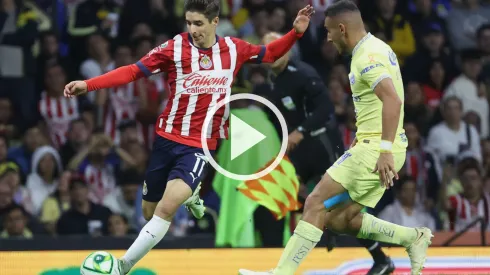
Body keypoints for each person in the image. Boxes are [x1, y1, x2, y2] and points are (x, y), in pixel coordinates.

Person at [63, 0, 313, 273]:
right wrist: (89, 84)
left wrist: (296, 33)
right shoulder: (174, 48)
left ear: (215, 22)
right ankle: (190, 195)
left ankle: (123, 266)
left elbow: (269, 53)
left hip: (200, 144)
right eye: (189, 23)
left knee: (166, 209)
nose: (192, 29)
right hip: (167, 138)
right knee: (149, 213)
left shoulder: (233, 49)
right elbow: (133, 71)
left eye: (199, 23)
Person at [239, 1, 432, 275]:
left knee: (314, 202)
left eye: (329, 31)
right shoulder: (378, 47)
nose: (327, 38)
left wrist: (384, 150)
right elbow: (380, 104)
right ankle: (412, 238)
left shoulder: (366, 57)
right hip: (377, 146)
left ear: (342, 28)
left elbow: (392, 99)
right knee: (342, 219)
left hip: (377, 150)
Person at [257, 32, 394, 274]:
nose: (274, 52)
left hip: (322, 144)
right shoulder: (272, 80)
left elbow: (325, 108)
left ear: (288, 49)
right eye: (269, 48)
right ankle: (285, 251)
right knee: (277, 196)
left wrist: (300, 130)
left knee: (342, 206)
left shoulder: (303, 73)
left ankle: (380, 258)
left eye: (278, 47)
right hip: (298, 150)